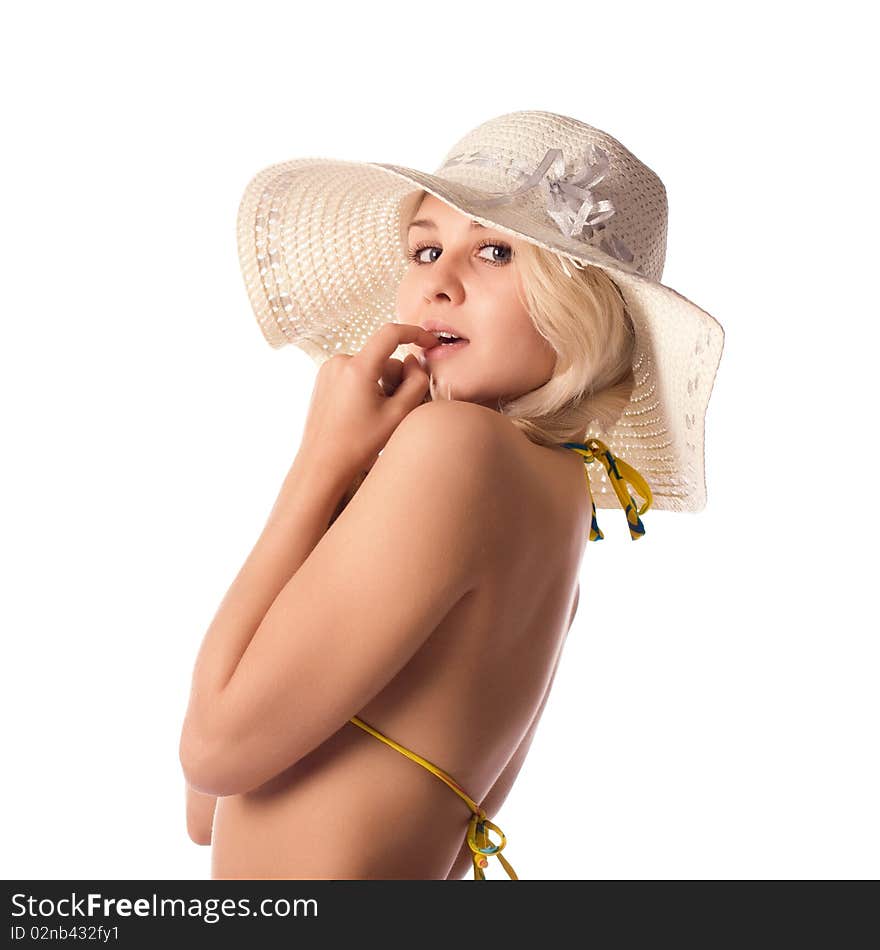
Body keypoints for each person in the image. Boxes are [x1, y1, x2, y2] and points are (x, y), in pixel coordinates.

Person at [179, 111, 724, 880]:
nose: (437, 280)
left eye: (496, 251)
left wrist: (321, 462)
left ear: (585, 303)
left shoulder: (456, 452)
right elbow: (206, 811)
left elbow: (211, 754)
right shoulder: (557, 508)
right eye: (426, 248)